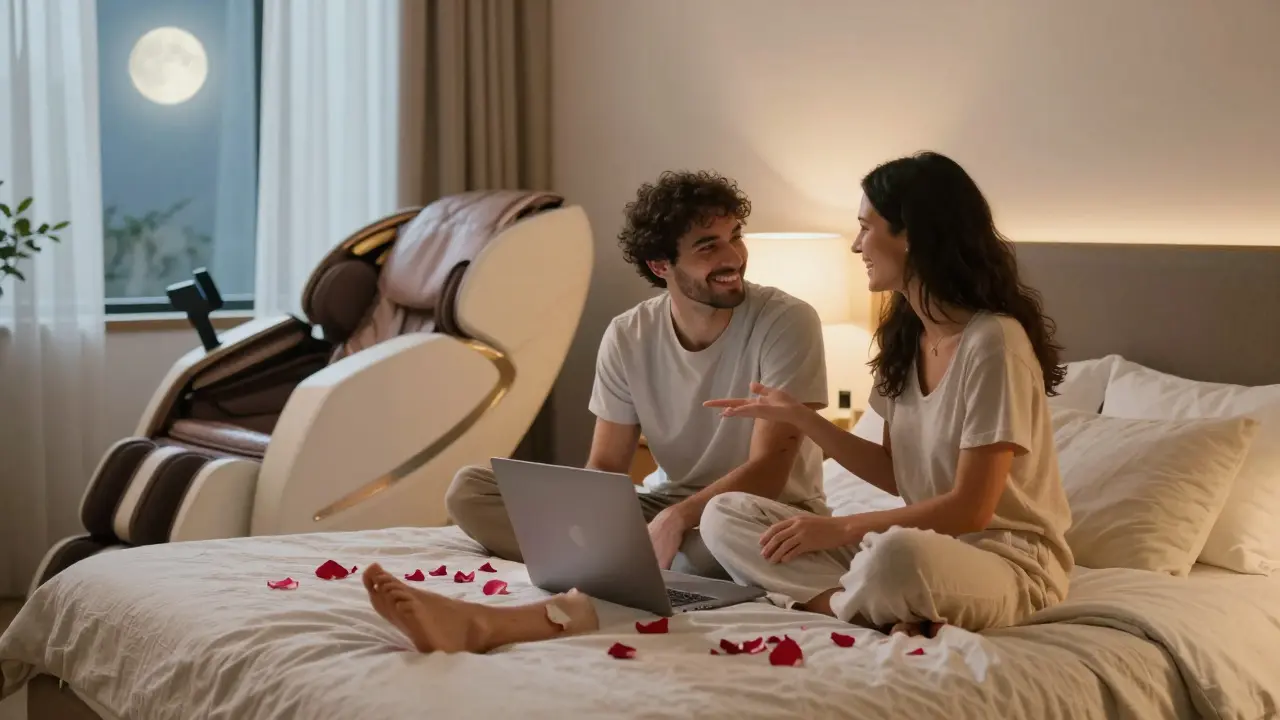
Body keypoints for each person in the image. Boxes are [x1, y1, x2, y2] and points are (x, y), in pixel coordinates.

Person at [700, 151, 1074, 637]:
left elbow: (971, 510)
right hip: (919, 547)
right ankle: (860, 607)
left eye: (864, 228)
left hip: (1003, 562)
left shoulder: (994, 342)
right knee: (725, 514)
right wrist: (801, 419)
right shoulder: (906, 336)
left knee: (896, 553)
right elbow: (896, 472)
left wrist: (843, 528)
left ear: (911, 235)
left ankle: (850, 602)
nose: (858, 246)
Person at [444, 169, 829, 581]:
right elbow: (607, 464)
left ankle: (612, 560)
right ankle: (624, 559)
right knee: (470, 490)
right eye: (708, 246)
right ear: (660, 265)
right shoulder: (628, 334)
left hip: (760, 513)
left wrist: (677, 520)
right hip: (664, 504)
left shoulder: (787, 321)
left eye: (735, 236)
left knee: (706, 551)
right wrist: (583, 517)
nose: (733, 257)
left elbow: (769, 471)